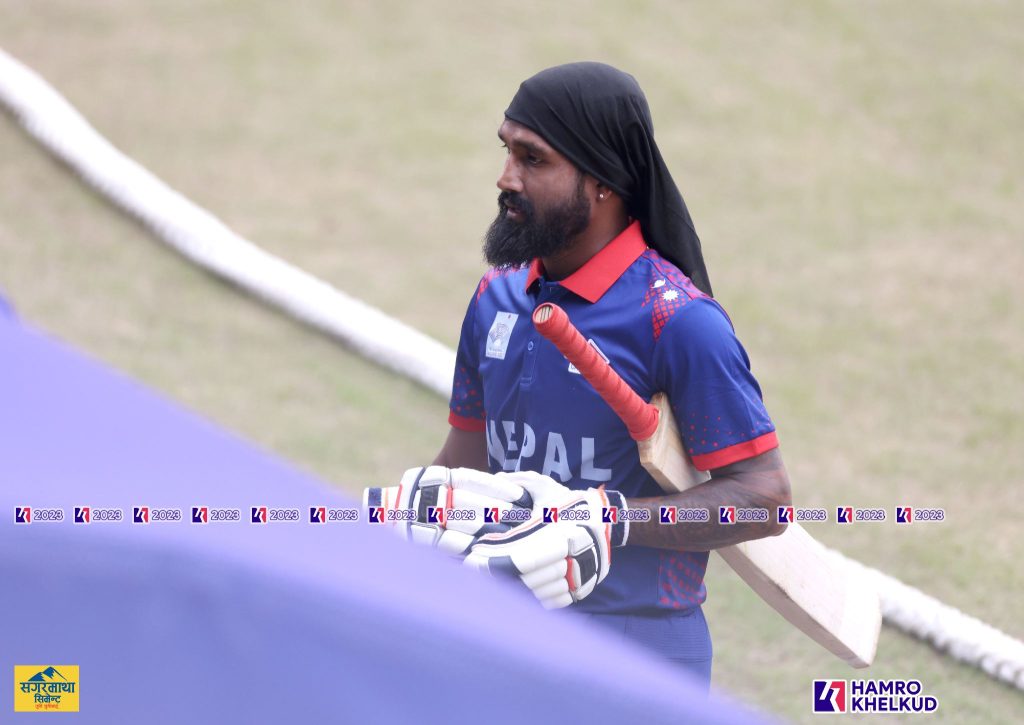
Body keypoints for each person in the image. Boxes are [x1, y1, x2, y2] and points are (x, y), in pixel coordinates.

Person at [424, 62, 792, 690]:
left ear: (602, 183)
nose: (506, 177)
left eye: (533, 159)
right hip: (502, 639)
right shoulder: (495, 297)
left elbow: (763, 499)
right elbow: (468, 459)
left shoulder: (677, 321)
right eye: (507, 151)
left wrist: (607, 519)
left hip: (637, 655)